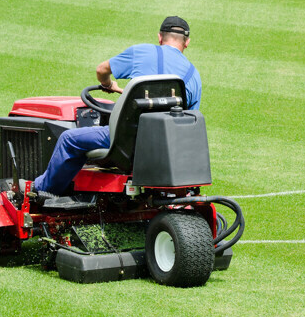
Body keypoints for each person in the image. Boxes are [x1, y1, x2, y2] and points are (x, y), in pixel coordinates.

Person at [19, 16, 202, 198]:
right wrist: (125, 92)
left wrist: (107, 85)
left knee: (69, 139)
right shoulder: (193, 76)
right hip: (166, 147)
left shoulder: (142, 52)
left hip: (127, 142)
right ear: (187, 42)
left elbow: (101, 70)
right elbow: (183, 118)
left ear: (160, 37)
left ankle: (42, 189)